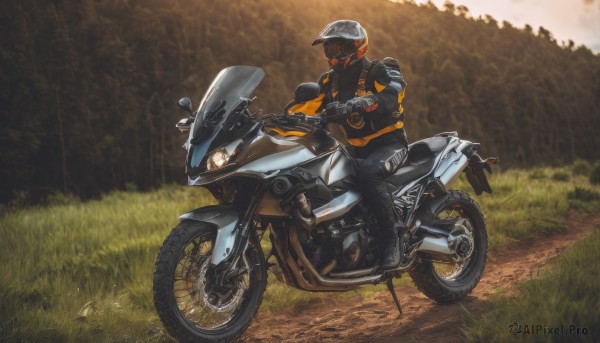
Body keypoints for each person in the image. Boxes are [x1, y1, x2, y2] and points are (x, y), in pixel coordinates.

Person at [288, 20, 409, 270]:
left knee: (369, 174)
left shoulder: (379, 70)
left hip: (391, 144)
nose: (335, 55)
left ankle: (392, 241)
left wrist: (357, 103)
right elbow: (304, 109)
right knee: (319, 176)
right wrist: (283, 118)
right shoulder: (328, 83)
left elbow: (392, 95)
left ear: (358, 47)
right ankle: (328, 244)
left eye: (340, 48)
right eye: (330, 50)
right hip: (356, 149)